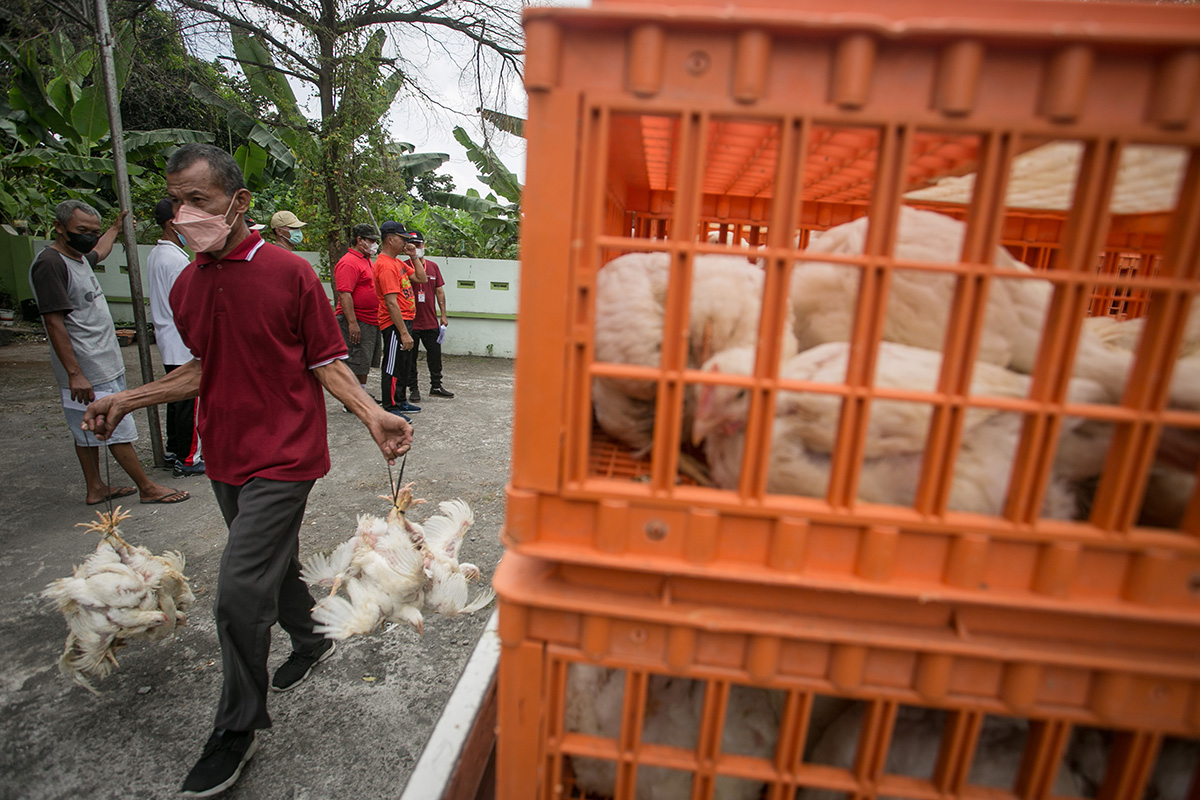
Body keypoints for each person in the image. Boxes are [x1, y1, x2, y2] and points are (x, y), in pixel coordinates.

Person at [81, 143, 412, 798]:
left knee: (236, 592)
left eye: (197, 201)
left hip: (287, 456)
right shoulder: (187, 284)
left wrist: (372, 413)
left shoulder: (290, 273)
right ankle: (312, 637)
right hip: (227, 455)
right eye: (176, 201)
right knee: (270, 566)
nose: (183, 214)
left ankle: (236, 727)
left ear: (239, 203)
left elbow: (325, 362)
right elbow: (201, 371)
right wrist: (128, 397)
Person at [29, 200, 188, 507]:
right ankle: (146, 486)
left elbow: (99, 251)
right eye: (81, 230)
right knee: (116, 424)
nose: (89, 236)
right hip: (86, 364)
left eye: (93, 231)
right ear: (59, 227)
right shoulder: (50, 264)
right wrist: (75, 372)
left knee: (85, 427)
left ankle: (95, 487)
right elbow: (53, 321)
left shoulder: (77, 257)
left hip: (100, 359)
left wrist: (116, 228)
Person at [146, 198, 204, 477]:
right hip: (182, 343)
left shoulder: (156, 255)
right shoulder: (177, 260)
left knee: (176, 399)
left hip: (168, 339)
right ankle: (190, 458)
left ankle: (175, 450)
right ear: (172, 223)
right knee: (190, 400)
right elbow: (188, 305)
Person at [374, 220, 427, 416]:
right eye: (402, 239)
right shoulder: (386, 266)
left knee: (404, 364)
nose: (405, 244)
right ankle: (390, 406)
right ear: (390, 239)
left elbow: (421, 278)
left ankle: (401, 400)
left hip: (405, 320)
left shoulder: (397, 263)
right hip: (395, 323)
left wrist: (414, 257)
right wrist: (403, 333)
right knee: (392, 365)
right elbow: (391, 302)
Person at [401, 228, 454, 400]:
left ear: (424, 245)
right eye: (412, 245)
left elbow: (440, 292)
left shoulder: (433, 267)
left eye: (419, 245)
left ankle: (436, 386)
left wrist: (443, 315)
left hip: (430, 321)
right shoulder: (403, 266)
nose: (416, 248)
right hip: (411, 322)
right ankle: (413, 389)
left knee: (435, 356)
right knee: (410, 358)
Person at [332, 223, 382, 398]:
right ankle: (351, 398)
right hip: (356, 319)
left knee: (364, 361)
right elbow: (345, 294)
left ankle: (361, 394)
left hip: (370, 320)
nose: (374, 244)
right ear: (359, 240)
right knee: (354, 359)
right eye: (370, 240)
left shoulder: (366, 260)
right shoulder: (348, 262)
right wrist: (352, 323)